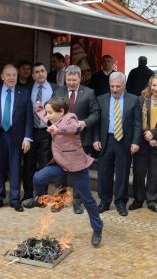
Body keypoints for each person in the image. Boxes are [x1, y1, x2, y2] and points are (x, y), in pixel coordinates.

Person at [22, 97, 104, 247]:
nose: (48, 116)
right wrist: (39, 107)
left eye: (50, 112)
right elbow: (42, 114)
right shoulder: (54, 118)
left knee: (88, 200)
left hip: (76, 165)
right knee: (38, 177)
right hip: (60, 163)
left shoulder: (70, 118)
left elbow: (75, 128)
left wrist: (58, 130)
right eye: (47, 112)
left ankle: (97, 229)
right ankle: (39, 200)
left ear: (61, 112)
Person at [0, 64, 33, 212]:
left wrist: (28, 138)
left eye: (14, 75)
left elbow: (29, 118)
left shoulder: (23, 93)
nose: (12, 78)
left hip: (16, 136)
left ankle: (15, 200)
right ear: (2, 76)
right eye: (8, 75)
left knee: (15, 168)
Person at [53, 65, 100, 214]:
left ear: (80, 78)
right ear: (65, 79)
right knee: (61, 171)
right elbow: (52, 112)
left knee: (79, 172)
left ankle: (78, 201)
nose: (71, 82)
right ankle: (59, 200)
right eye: (68, 79)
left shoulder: (89, 92)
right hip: (62, 140)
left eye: (74, 79)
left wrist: (84, 122)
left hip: (81, 140)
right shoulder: (58, 92)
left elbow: (96, 113)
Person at [94, 72, 141, 217]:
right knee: (103, 173)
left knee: (123, 172)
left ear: (124, 85)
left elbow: (138, 124)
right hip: (105, 140)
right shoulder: (100, 99)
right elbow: (96, 122)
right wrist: (96, 139)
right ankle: (104, 202)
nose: (114, 89)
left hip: (124, 141)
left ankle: (120, 202)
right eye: (112, 86)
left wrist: (135, 142)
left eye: (118, 86)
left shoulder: (133, 100)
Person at [130, 74, 157, 213]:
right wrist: (147, 136)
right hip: (142, 142)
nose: (156, 88)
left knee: (155, 174)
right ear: (150, 85)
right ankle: (138, 199)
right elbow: (137, 121)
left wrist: (154, 135)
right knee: (139, 173)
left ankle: (152, 200)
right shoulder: (141, 100)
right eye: (154, 85)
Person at [21, 62, 56, 201]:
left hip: (47, 132)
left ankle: (42, 196)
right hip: (30, 132)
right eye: (37, 72)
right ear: (32, 75)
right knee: (28, 165)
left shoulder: (55, 88)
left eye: (42, 71)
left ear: (46, 72)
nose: (40, 74)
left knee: (44, 166)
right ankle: (28, 195)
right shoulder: (26, 89)